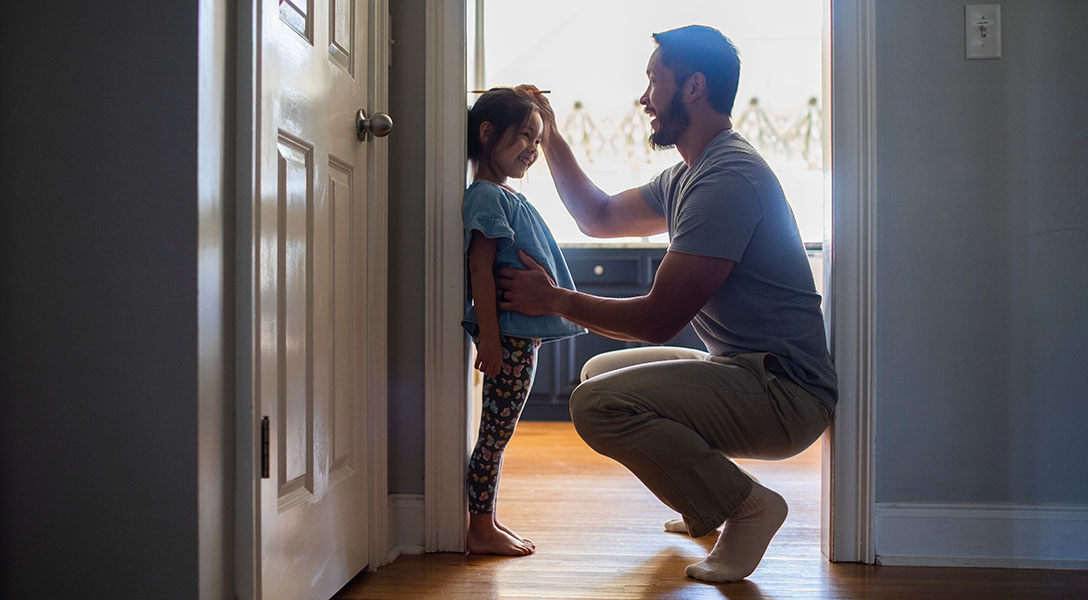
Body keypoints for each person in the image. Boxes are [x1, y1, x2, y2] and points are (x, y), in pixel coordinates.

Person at [497, 26, 838, 582]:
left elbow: (658, 321)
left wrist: (554, 299)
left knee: (597, 404)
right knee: (599, 372)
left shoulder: (727, 179)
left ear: (694, 87)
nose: (645, 97)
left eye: (655, 80)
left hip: (786, 395)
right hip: (746, 372)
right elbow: (599, 216)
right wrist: (552, 137)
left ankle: (748, 508)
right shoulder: (688, 175)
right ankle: (699, 496)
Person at [461, 87, 586, 556]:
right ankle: (480, 527)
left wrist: (540, 114)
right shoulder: (487, 197)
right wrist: (490, 340)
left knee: (499, 432)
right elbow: (480, 269)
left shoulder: (502, 195)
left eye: (538, 140)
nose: (533, 148)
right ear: (488, 134)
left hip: (519, 337)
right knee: (495, 436)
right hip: (509, 338)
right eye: (525, 137)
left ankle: (486, 520)